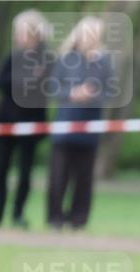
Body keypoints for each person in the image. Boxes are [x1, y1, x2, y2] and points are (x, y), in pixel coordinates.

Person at [0, 10, 52, 229]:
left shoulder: (46, 59)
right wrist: (25, 80)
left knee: (25, 170)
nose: (17, 36)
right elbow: (1, 82)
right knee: (1, 169)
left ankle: (18, 213)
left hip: (31, 122)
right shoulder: (13, 57)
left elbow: (44, 88)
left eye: (21, 31)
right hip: (7, 120)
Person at [46, 16, 113, 230]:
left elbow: (110, 91)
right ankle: (55, 218)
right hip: (65, 126)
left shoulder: (103, 61)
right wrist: (73, 94)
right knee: (59, 175)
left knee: (84, 178)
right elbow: (53, 88)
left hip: (90, 127)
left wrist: (91, 95)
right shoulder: (65, 59)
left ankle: (78, 219)